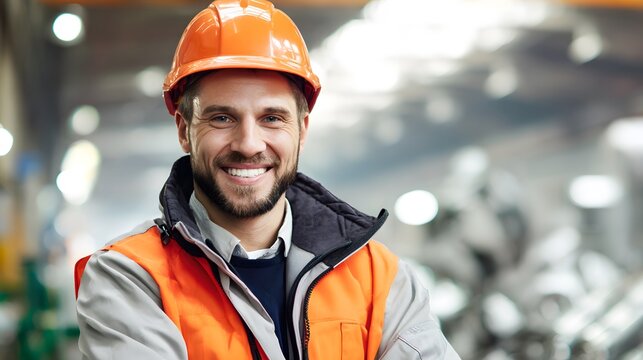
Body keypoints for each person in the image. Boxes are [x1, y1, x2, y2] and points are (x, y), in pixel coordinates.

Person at [74, 0, 461, 359]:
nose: (248, 144)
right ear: (184, 129)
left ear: (302, 130)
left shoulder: (380, 278)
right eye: (222, 118)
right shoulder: (130, 277)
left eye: (271, 118)